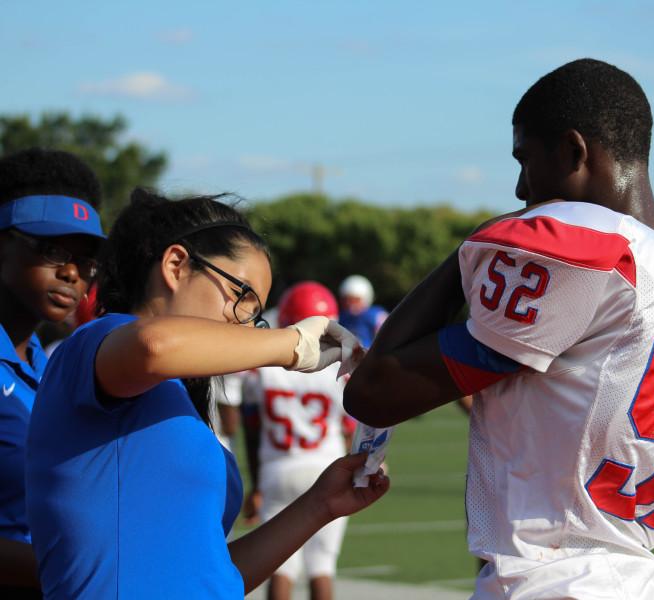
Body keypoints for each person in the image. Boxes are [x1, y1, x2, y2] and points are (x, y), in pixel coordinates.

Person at [344, 58, 654, 599]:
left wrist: (468, 252)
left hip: (543, 581)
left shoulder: (587, 257)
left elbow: (374, 392)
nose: (519, 187)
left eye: (525, 158)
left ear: (575, 152)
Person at [25, 189, 388, 599]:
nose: (246, 326)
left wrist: (318, 505)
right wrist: (292, 345)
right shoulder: (93, 343)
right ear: (176, 265)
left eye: (256, 316)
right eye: (240, 297)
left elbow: (213, 576)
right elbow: (153, 347)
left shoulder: (176, 398)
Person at [0, 148, 105, 597]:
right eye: (51, 249)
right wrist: (87, 572)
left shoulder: (49, 366)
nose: (71, 272)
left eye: (86, 261)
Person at [241, 281, 357, 600]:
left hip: (278, 467)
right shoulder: (340, 367)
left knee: (281, 567)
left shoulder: (265, 368)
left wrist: (257, 484)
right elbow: (351, 426)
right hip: (326, 464)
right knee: (322, 565)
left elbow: (251, 429)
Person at [338, 274, 387, 347]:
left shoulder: (375, 315)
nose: (350, 304)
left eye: (355, 300)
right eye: (346, 299)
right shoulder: (343, 317)